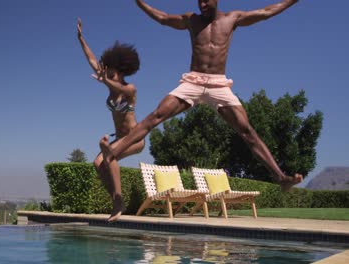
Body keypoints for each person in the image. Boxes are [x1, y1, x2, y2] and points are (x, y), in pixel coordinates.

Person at [101, 0, 303, 211]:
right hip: (193, 81)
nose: (202, 4)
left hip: (218, 83)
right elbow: (162, 18)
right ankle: (114, 152)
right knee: (156, 116)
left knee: (247, 130)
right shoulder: (192, 20)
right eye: (199, 1)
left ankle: (280, 177)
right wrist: (140, 3)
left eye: (207, 0)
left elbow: (267, 11)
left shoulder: (233, 18)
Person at [77, 18, 145, 222]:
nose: (107, 76)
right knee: (98, 163)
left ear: (122, 72)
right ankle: (116, 199)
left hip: (135, 138)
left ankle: (118, 201)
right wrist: (81, 39)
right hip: (120, 138)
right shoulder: (109, 84)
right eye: (107, 72)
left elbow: (120, 88)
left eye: (111, 73)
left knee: (109, 156)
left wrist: (104, 79)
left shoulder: (130, 90)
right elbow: (92, 61)